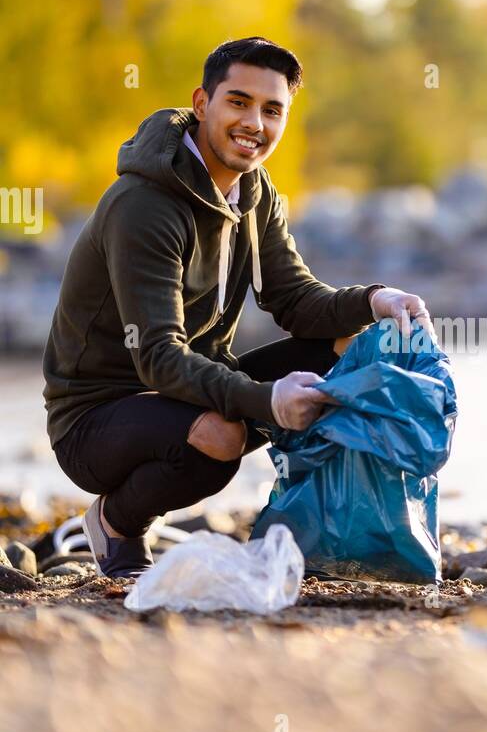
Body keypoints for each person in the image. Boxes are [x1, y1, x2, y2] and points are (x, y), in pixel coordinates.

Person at [43, 36, 432, 579]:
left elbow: (294, 300)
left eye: (272, 110)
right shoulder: (144, 206)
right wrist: (268, 401)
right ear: (203, 104)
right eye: (239, 102)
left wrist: (376, 300)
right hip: (97, 416)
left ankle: (339, 519)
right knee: (220, 438)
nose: (254, 122)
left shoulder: (255, 190)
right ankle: (116, 523)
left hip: (188, 387)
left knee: (351, 347)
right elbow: (157, 355)